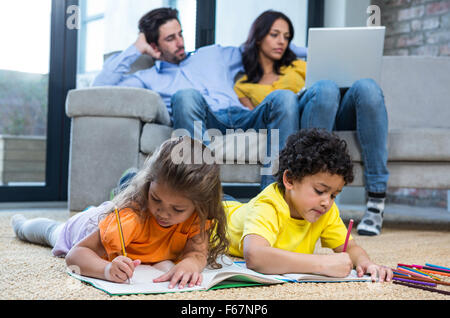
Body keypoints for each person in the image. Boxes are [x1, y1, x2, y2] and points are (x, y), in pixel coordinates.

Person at [92, 7, 307, 189]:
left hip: (243, 116)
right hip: (204, 119)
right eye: (170, 38)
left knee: (285, 98)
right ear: (154, 46)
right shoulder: (148, 77)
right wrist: (137, 47)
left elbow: (262, 45)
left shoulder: (213, 54)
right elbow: (100, 87)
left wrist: (301, 47)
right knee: (185, 96)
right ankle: (203, 191)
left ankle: (276, 196)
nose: (180, 42)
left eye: (180, 34)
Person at [234, 10, 389, 236]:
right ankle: (312, 192)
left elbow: (326, 85)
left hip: (326, 111)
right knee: (322, 88)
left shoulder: (298, 66)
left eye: (286, 37)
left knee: (365, 87)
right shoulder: (244, 84)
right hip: (293, 125)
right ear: (258, 37)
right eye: (274, 34)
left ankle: (376, 200)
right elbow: (258, 117)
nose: (281, 41)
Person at [11, 136, 229, 289]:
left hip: (105, 219)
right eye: (156, 199)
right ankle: (20, 225)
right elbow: (75, 255)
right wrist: (106, 270)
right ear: (147, 185)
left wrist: (191, 263)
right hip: (83, 228)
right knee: (50, 231)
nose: (163, 212)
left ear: (200, 205)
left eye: (177, 209)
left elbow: (197, 253)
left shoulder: (197, 219)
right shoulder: (131, 217)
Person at [223, 129, 393, 282]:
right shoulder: (268, 205)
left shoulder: (325, 210)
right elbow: (254, 256)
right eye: (320, 191)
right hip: (216, 211)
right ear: (289, 180)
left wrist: (365, 263)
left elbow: (350, 247)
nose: (327, 202)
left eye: (334, 195)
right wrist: (321, 263)